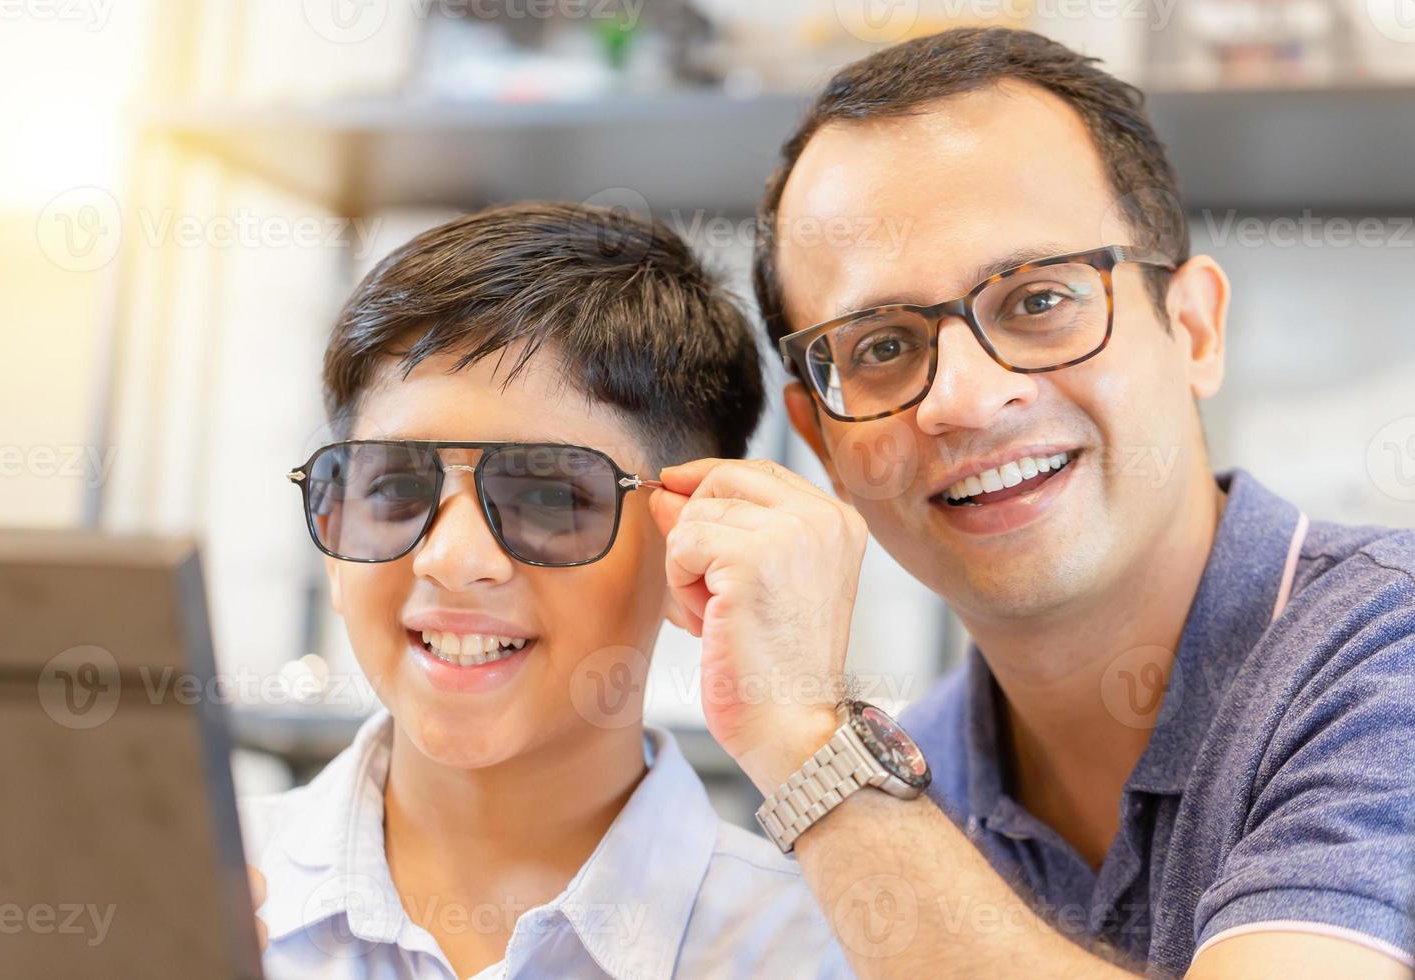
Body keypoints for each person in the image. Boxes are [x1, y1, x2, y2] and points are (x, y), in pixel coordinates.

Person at [648, 27, 1415, 978]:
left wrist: (812, 748)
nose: (963, 398)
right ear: (823, 446)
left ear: (1194, 331)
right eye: (882, 346)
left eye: (1040, 299)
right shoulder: (902, 788)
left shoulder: (1387, 650)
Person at [240, 202, 852, 979]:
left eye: (549, 498)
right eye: (394, 487)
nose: (453, 559)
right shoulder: (169, 887)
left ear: (693, 542)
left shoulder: (831, 951)